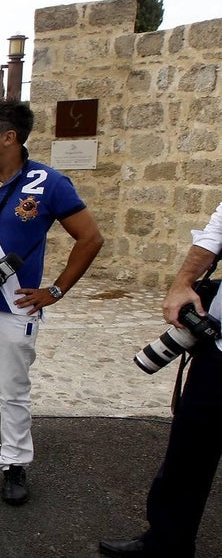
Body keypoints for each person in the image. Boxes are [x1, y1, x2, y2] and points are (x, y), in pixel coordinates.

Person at [0, 99, 103, 505]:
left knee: (14, 390)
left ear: (9, 138)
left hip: (16, 305)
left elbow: (90, 238)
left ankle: (14, 463)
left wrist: (55, 291)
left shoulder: (49, 183)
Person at [98, 202, 222, 557]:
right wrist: (183, 281)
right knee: (189, 449)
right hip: (218, 351)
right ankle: (168, 542)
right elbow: (216, 231)